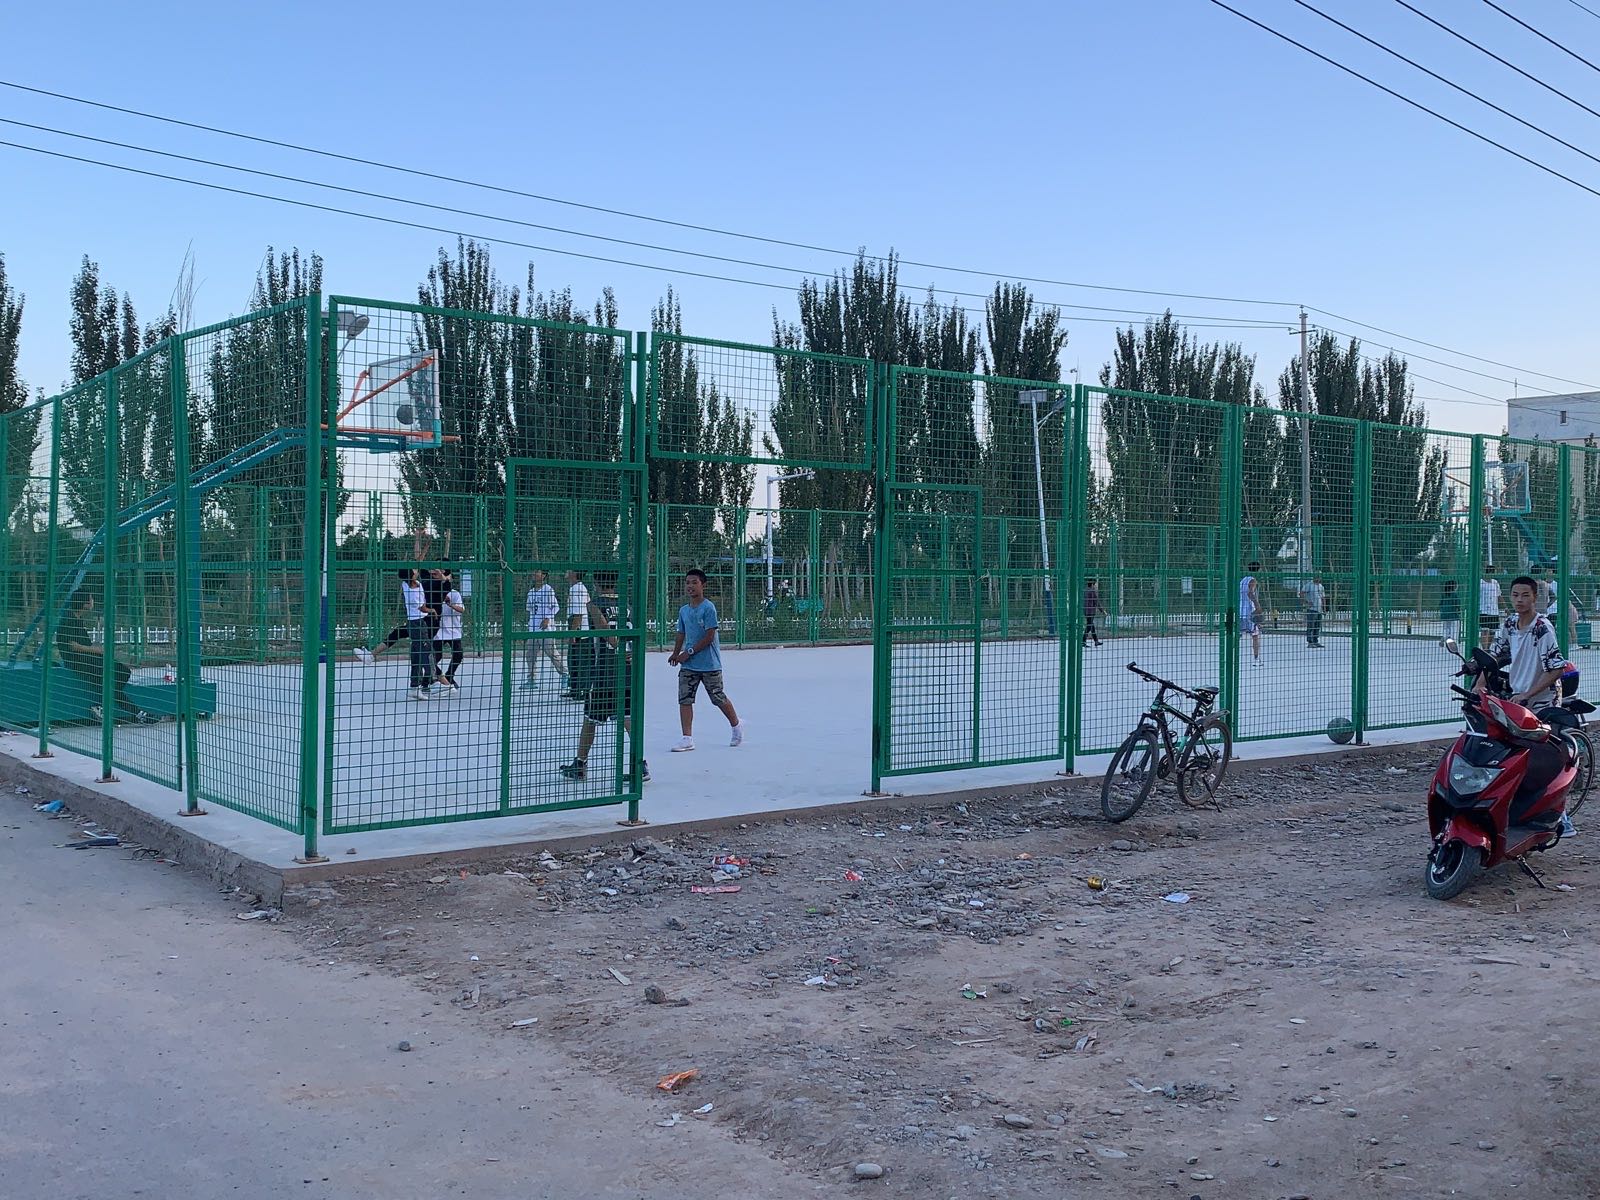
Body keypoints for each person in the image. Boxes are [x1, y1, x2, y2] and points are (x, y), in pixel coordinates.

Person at [1482, 575, 1575, 836]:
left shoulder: (1542, 628)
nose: (1520, 600)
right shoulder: (1510, 623)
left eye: (1525, 595)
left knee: (1542, 760)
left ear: (1535, 597)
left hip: (1542, 698)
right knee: (1508, 752)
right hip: (1517, 696)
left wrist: (1528, 695)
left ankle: (1561, 817)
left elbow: (1556, 668)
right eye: (1515, 595)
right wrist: (1479, 683)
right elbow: (1496, 656)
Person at [560, 570, 648, 784]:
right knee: (626, 716)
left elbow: (605, 630)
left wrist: (618, 648)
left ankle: (580, 765)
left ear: (596, 582)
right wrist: (630, 652)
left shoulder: (594, 604)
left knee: (591, 717)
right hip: (627, 668)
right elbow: (636, 632)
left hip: (605, 670)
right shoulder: (627, 604)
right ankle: (641, 764)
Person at [54, 589, 159, 724]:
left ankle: (106, 706)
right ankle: (139, 714)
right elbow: (74, 646)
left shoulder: (76, 617)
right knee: (117, 676)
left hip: (87, 657)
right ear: (84, 603)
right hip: (79, 660)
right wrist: (97, 650)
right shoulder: (69, 619)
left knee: (120, 675)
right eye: (91, 599)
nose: (93, 602)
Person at [669, 567, 744, 751]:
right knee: (685, 699)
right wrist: (676, 653)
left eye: (694, 582)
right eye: (687, 583)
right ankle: (687, 738)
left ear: (703, 585)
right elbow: (681, 633)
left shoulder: (708, 608)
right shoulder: (684, 611)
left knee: (718, 697)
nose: (690, 586)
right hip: (689, 665)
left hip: (709, 664)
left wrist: (689, 652)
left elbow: (709, 636)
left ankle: (736, 726)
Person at [522, 569, 567, 691]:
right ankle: (531, 679)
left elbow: (555, 607)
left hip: (546, 628)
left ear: (544, 575)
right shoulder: (531, 592)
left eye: (538, 572)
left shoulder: (548, 590)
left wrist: (547, 618)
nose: (535, 574)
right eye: (534, 571)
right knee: (530, 654)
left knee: (551, 652)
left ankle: (565, 674)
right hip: (533, 628)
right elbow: (530, 610)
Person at [401, 568, 435, 700]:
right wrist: (432, 610)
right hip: (417, 624)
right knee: (426, 651)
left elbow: (417, 560)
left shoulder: (408, 583)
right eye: (414, 570)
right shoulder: (412, 592)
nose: (417, 570)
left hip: (417, 623)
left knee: (416, 655)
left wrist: (425, 546)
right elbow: (423, 608)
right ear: (411, 575)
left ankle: (415, 686)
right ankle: (434, 679)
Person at [432, 569, 465, 693]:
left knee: (458, 654)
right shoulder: (431, 591)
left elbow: (461, 609)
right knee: (435, 657)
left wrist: (450, 604)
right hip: (437, 631)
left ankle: (449, 676)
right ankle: (430, 679)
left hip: (453, 630)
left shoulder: (454, 594)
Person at [564, 569, 592, 702]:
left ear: (574, 574)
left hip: (581, 631)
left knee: (582, 662)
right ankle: (575, 689)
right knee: (573, 661)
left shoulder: (577, 589)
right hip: (578, 629)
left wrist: (574, 632)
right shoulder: (575, 588)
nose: (566, 572)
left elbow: (579, 614)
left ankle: (583, 690)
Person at [1239, 561, 1263, 666]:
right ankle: (1256, 659)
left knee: (1238, 633)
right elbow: (1250, 593)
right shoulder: (1253, 580)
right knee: (1255, 635)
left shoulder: (1243, 580)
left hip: (1240, 610)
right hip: (1249, 610)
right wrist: (1257, 605)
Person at [1478, 567, 1502, 649]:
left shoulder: (1495, 583)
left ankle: (1488, 647)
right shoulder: (1480, 582)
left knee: (1492, 632)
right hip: (1483, 610)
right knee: (1485, 630)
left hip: (1494, 611)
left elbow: (1499, 596)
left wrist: (1505, 608)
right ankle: (1484, 649)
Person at [1299, 572, 1325, 648]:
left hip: (1319, 609)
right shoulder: (1309, 585)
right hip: (1312, 609)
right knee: (1311, 625)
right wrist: (1306, 602)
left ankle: (1315, 640)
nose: (1318, 578)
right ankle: (1310, 641)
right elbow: (1301, 594)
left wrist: (1324, 607)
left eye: (1319, 577)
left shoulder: (1321, 586)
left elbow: (1323, 597)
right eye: (1317, 577)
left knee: (1317, 625)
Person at [1082, 578, 1103, 648]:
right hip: (1090, 611)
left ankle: (1095, 641)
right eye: (1095, 584)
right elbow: (1096, 601)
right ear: (1092, 584)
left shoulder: (1085, 590)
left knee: (1090, 626)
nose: (1096, 585)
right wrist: (1102, 611)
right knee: (1089, 626)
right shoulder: (1092, 591)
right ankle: (1083, 641)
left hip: (1085, 611)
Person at [1440, 579, 1461, 647]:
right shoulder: (1454, 594)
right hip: (1453, 614)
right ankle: (1451, 641)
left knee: (1446, 627)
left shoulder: (1443, 594)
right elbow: (1457, 604)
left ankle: (1444, 636)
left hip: (1444, 614)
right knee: (1453, 627)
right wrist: (1458, 610)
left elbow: (1441, 603)